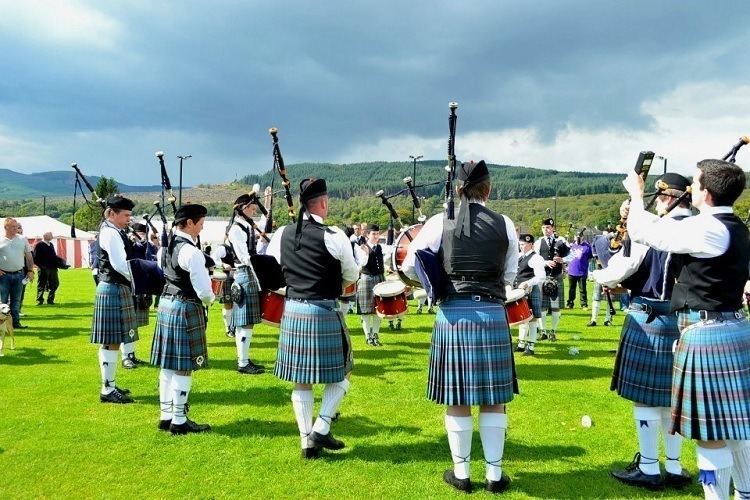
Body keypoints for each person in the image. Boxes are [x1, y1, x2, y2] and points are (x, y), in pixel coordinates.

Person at [624, 159, 750, 500]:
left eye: (695, 183)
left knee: (710, 431)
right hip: (735, 328)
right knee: (737, 427)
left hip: (708, 333)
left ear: (705, 193)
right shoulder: (732, 225)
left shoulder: (705, 228)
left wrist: (636, 195)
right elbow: (665, 228)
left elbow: (643, 232)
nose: (691, 188)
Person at [402, 160, 519, 494]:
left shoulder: (441, 221)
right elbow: (509, 274)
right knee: (494, 398)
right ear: (488, 188)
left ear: (457, 190)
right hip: (494, 313)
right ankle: (495, 477)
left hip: (453, 314)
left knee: (458, 396)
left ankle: (462, 474)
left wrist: (434, 281)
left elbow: (411, 263)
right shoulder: (505, 224)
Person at [594, 174, 693, 491]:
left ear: (665, 198)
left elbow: (621, 270)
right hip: (683, 319)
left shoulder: (654, 227)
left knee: (646, 401)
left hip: (650, 317)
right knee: (672, 399)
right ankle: (675, 468)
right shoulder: (698, 225)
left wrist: (600, 276)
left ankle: (649, 467)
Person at [266, 178, 359, 459]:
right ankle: (322, 425)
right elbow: (352, 275)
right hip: (323, 310)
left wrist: (294, 289)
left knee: (301, 380)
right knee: (345, 368)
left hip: (293, 310)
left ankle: (307, 443)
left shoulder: (282, 233)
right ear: (322, 203)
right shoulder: (334, 236)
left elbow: (272, 273)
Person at [151, 203, 215, 434]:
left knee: (168, 365)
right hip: (185, 307)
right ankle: (179, 420)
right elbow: (204, 291)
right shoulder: (191, 252)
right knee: (183, 366)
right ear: (189, 223)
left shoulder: (166, 248)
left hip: (167, 304)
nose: (202, 227)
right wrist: (211, 300)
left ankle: (165, 415)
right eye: (200, 223)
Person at [90, 196, 139, 404]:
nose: (128, 219)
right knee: (111, 341)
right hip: (113, 288)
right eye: (126, 215)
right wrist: (140, 277)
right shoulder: (110, 233)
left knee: (112, 341)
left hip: (114, 288)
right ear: (112, 214)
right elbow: (119, 264)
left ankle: (108, 384)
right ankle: (107, 389)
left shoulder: (113, 231)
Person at [227, 194, 265, 374]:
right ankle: (242, 363)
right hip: (244, 272)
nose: (254, 210)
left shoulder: (246, 226)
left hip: (249, 273)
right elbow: (243, 256)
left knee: (247, 322)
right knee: (244, 323)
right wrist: (262, 262)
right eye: (252, 208)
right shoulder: (236, 229)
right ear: (243, 208)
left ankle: (244, 360)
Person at [533, 217, 570, 341]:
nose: (545, 230)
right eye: (543, 228)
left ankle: (553, 331)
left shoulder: (561, 240)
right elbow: (535, 259)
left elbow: (572, 254)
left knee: (555, 306)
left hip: (556, 276)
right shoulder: (538, 243)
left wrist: (562, 260)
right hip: (543, 277)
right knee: (542, 306)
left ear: (553, 228)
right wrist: (545, 262)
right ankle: (543, 331)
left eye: (548, 228)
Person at [514, 233, 546, 355]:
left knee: (532, 319)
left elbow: (541, 277)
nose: (521, 246)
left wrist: (527, 283)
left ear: (531, 244)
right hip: (520, 292)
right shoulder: (519, 256)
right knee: (522, 318)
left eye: (523, 244)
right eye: (520, 244)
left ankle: (531, 347)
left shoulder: (536, 258)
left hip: (531, 290)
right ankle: (521, 344)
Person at [0, 218, 34, 329]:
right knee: (2, 301)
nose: (16, 229)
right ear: (6, 227)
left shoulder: (23, 239)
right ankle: (2, 324)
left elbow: (29, 257)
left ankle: (16, 323)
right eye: (13, 226)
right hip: (3, 275)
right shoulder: (0, 239)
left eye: (17, 226)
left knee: (16, 300)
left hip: (19, 274)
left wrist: (30, 271)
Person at [355, 224, 385, 346]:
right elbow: (362, 263)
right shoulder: (361, 248)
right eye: (373, 234)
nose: (376, 236)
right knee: (366, 311)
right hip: (366, 279)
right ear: (367, 235)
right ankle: (368, 336)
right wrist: (367, 253)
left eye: (377, 233)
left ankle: (375, 335)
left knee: (379, 310)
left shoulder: (379, 248)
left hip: (379, 279)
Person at [211, 239, 237, 338]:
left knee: (238, 304)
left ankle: (235, 327)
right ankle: (228, 328)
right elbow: (212, 259)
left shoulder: (243, 245)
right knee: (228, 303)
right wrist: (223, 264)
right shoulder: (223, 248)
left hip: (239, 276)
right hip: (228, 277)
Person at [589, 230, 616, 327]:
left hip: (612, 272)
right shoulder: (597, 242)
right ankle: (593, 319)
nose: (603, 237)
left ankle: (608, 319)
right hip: (600, 270)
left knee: (611, 298)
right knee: (597, 297)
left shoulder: (615, 243)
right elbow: (595, 255)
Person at [567, 230, 593, 309]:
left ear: (582, 237)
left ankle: (584, 304)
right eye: (577, 236)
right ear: (575, 237)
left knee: (582, 289)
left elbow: (590, 258)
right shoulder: (571, 246)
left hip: (582, 271)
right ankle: (570, 303)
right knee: (571, 289)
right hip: (572, 271)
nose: (579, 238)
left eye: (580, 236)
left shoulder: (587, 246)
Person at [33, 232, 60, 305]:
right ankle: (39, 300)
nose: (52, 236)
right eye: (51, 235)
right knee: (42, 284)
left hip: (52, 268)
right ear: (45, 236)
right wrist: (41, 266)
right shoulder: (39, 245)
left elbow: (54, 256)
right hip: (43, 268)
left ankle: (50, 299)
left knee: (55, 283)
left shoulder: (51, 245)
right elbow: (35, 258)